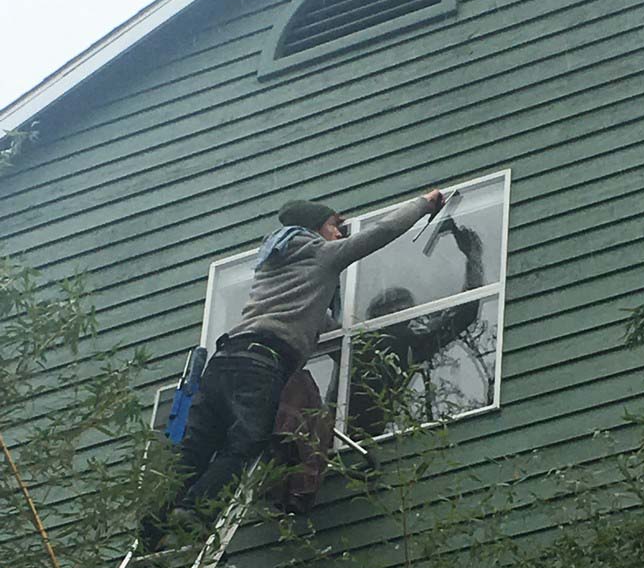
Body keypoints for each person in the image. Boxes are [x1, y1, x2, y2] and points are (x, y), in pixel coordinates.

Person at [140, 189, 443, 549]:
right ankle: (196, 509)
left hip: (224, 362)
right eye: (335, 226)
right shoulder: (320, 254)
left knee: (195, 447)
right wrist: (425, 204)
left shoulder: (274, 260)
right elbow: (378, 234)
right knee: (247, 440)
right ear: (316, 228)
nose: (341, 234)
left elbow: (318, 318)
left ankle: (154, 522)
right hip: (260, 363)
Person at [345, 218, 485, 437]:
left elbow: (463, 314)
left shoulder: (406, 342)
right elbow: (461, 315)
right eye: (394, 312)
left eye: (404, 310)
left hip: (369, 427)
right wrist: (473, 258)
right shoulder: (368, 345)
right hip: (350, 424)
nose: (401, 316)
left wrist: (473, 259)